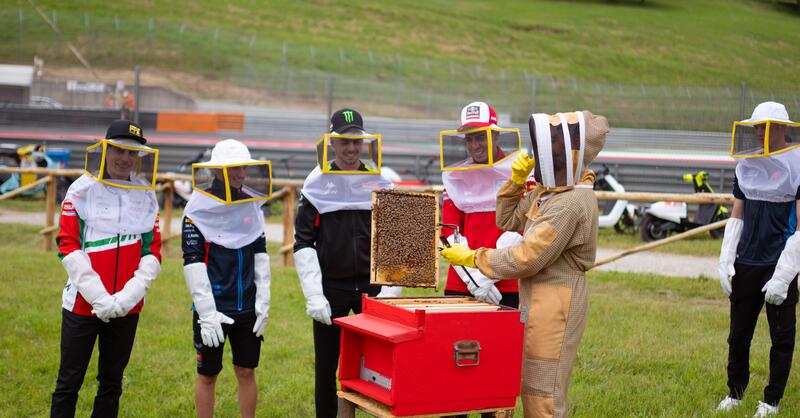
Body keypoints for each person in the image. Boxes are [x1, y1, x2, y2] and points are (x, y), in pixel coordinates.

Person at [442, 111, 609, 418]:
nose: (546, 157)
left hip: (558, 299)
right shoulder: (550, 192)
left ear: (572, 155)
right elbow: (507, 220)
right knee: (524, 380)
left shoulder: (572, 202)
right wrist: (514, 182)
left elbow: (526, 257)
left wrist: (473, 258)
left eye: (554, 150)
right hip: (537, 297)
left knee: (543, 391)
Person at [294, 108, 400, 418]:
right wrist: (314, 294)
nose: (351, 149)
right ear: (332, 143)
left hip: (372, 287)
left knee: (378, 366)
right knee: (326, 366)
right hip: (331, 289)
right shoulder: (315, 183)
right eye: (344, 142)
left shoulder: (380, 179)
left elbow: (395, 236)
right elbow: (303, 241)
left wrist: (391, 286)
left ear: (364, 142)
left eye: (356, 142)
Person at [51, 120, 161, 418]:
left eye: (132, 154)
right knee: (68, 383)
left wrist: (126, 298)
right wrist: (99, 297)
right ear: (105, 149)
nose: (125, 159)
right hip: (82, 305)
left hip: (128, 308)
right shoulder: (81, 189)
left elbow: (152, 252)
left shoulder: (146, 193)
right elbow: (67, 245)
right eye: (119, 151)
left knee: (111, 384)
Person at [716, 101, 800, 417]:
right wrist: (726, 258)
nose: (758, 132)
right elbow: (737, 214)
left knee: (781, 338)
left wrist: (785, 274)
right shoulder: (747, 165)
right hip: (747, 262)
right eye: (755, 127)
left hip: (779, 262)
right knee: (738, 334)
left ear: (780, 128)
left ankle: (772, 402)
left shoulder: (798, 164)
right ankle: (735, 393)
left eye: (763, 126)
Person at [181, 139, 272, 418]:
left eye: (243, 168)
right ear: (217, 171)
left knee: (246, 370)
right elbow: (193, 261)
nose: (241, 174)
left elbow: (261, 253)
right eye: (234, 169)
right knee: (207, 374)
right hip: (213, 309)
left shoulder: (251, 204)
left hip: (247, 306)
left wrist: (263, 300)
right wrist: (206, 313)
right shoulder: (197, 209)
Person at [440, 101, 524, 308]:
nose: (474, 145)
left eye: (480, 137)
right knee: (456, 340)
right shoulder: (455, 176)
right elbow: (450, 232)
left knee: (504, 340)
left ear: (496, 135)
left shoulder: (520, 170)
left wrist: (488, 275)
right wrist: (474, 279)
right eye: (469, 139)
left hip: (508, 280)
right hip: (463, 281)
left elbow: (523, 228)